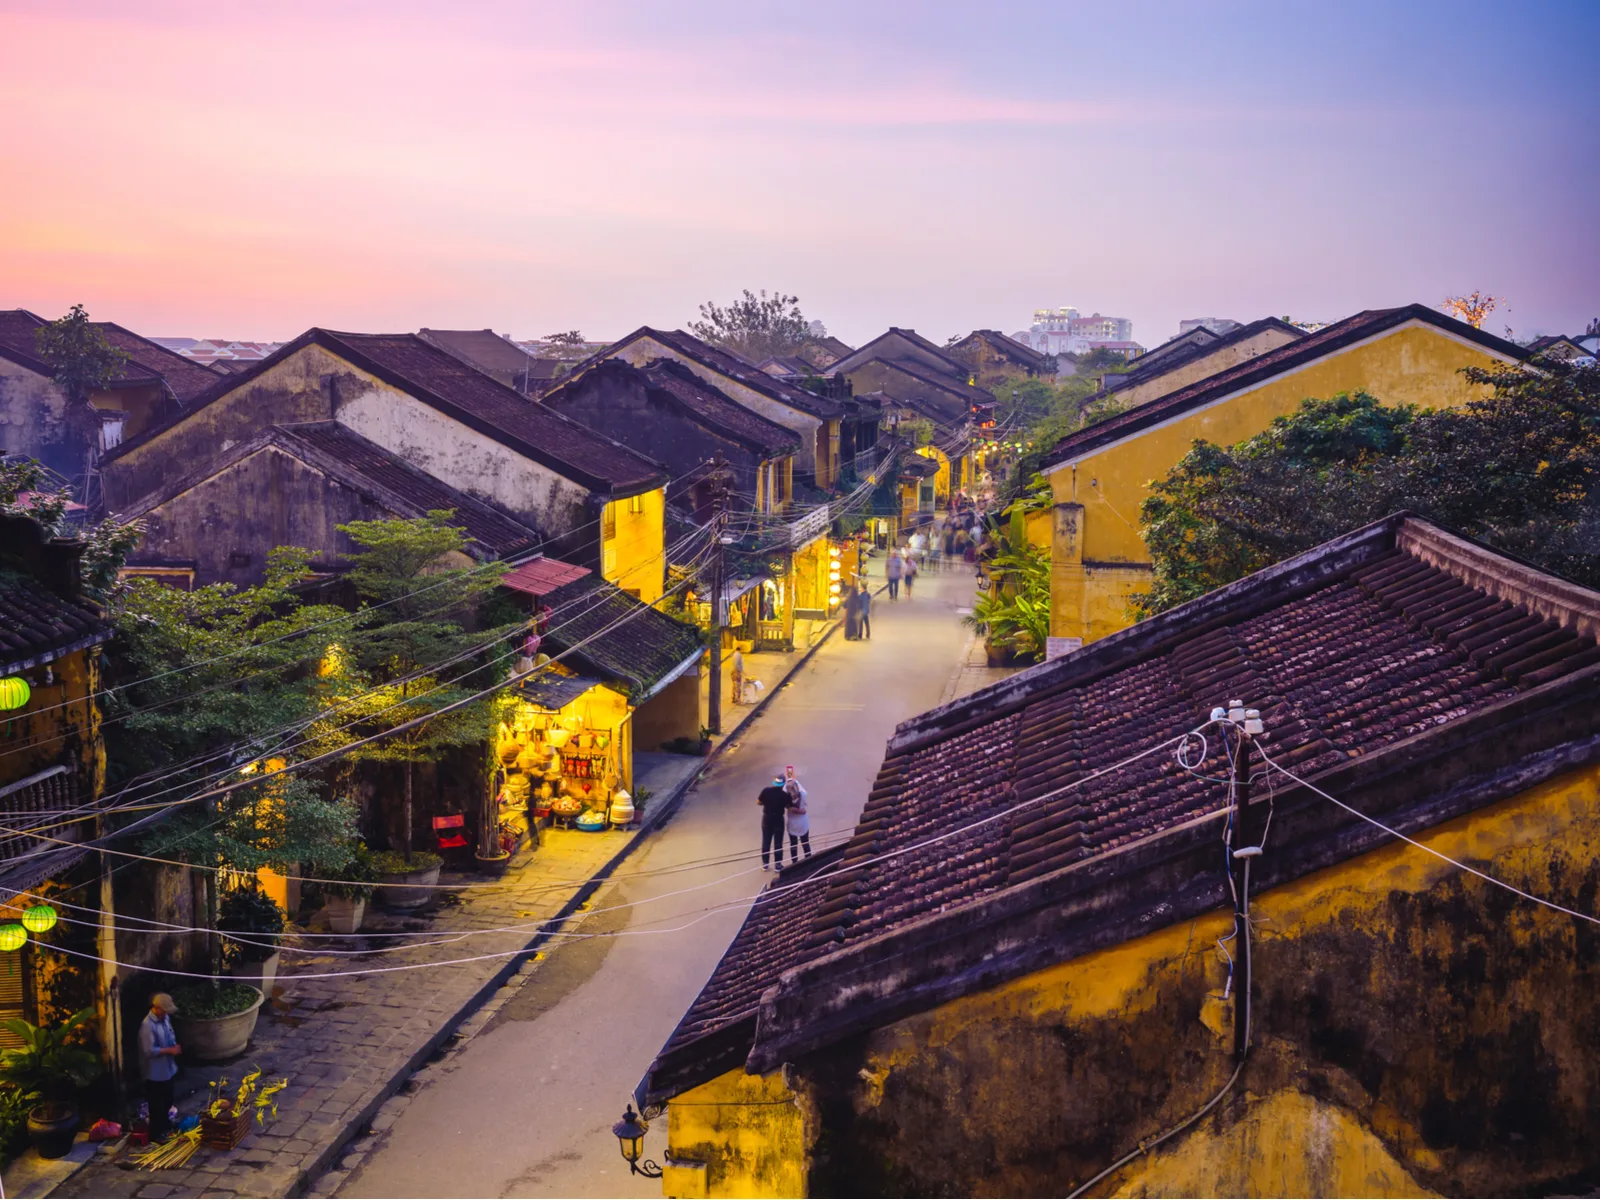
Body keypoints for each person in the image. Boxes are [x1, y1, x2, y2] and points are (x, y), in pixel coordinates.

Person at [139, 992, 182, 1141]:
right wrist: (169, 1050)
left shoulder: (165, 1019)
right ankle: (156, 1134)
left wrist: (173, 1046)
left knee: (168, 1100)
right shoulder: (147, 1025)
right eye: (164, 1010)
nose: (166, 1014)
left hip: (168, 1068)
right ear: (156, 1008)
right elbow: (149, 1050)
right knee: (157, 1105)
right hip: (155, 1072)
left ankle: (166, 1125)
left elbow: (170, 1035)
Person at [758, 776, 792, 870]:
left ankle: (765, 864)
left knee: (766, 841)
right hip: (778, 820)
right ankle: (778, 865)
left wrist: (766, 803)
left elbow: (758, 802)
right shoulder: (785, 795)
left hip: (767, 819)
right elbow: (789, 806)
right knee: (778, 843)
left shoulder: (766, 790)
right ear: (783, 784)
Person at [784, 776, 812, 861]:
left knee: (793, 845)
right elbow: (802, 811)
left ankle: (795, 862)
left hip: (792, 824)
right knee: (805, 843)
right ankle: (809, 860)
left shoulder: (786, 799)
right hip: (803, 823)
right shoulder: (802, 794)